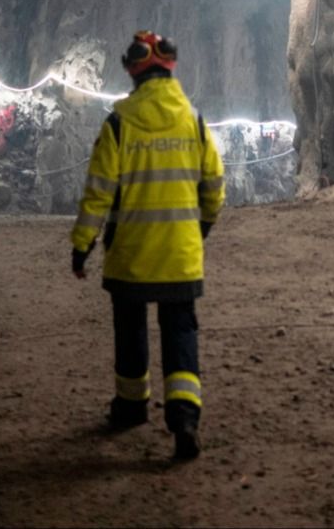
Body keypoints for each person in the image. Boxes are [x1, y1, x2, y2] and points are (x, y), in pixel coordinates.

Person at [70, 31, 226, 462]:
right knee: (180, 330)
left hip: (131, 257)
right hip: (180, 255)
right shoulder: (192, 120)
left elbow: (98, 192)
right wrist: (203, 225)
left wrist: (82, 245)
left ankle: (131, 408)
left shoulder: (119, 122)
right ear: (171, 67)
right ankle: (184, 419)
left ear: (131, 69)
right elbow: (214, 183)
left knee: (131, 330)